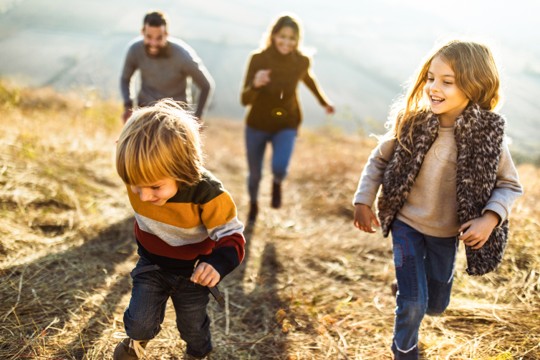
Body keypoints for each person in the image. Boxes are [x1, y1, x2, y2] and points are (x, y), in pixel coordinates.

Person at [352, 40, 523, 359]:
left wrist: (490, 218)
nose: (433, 87)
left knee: (436, 303)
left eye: (447, 81)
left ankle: (410, 290)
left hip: (446, 234)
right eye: (431, 77)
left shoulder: (487, 139)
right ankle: (404, 348)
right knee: (414, 305)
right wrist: (363, 200)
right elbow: (378, 161)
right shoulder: (412, 124)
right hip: (407, 224)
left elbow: (510, 185)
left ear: (475, 87)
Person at [113, 99, 245, 360]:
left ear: (182, 170)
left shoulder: (208, 194)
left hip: (193, 273)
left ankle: (198, 354)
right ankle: (135, 346)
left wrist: (216, 264)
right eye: (136, 186)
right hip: (151, 264)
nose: (144, 195)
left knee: (192, 327)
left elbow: (232, 237)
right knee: (140, 321)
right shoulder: (138, 177)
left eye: (154, 187)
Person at [240, 13, 335, 222]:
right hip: (257, 124)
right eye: (282, 36)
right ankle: (254, 205)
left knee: (280, 166)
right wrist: (256, 85)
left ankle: (277, 182)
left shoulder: (301, 61)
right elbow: (244, 99)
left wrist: (324, 102)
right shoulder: (258, 59)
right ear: (273, 35)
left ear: (297, 41)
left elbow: (308, 79)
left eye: (292, 38)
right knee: (254, 174)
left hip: (287, 123)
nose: (286, 42)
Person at [120, 11, 214, 123]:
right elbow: (125, 79)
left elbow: (206, 85)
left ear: (166, 34)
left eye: (159, 38)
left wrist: (198, 117)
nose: (153, 43)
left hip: (176, 117)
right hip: (144, 112)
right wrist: (128, 105)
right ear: (142, 32)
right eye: (149, 37)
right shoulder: (135, 50)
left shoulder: (182, 55)